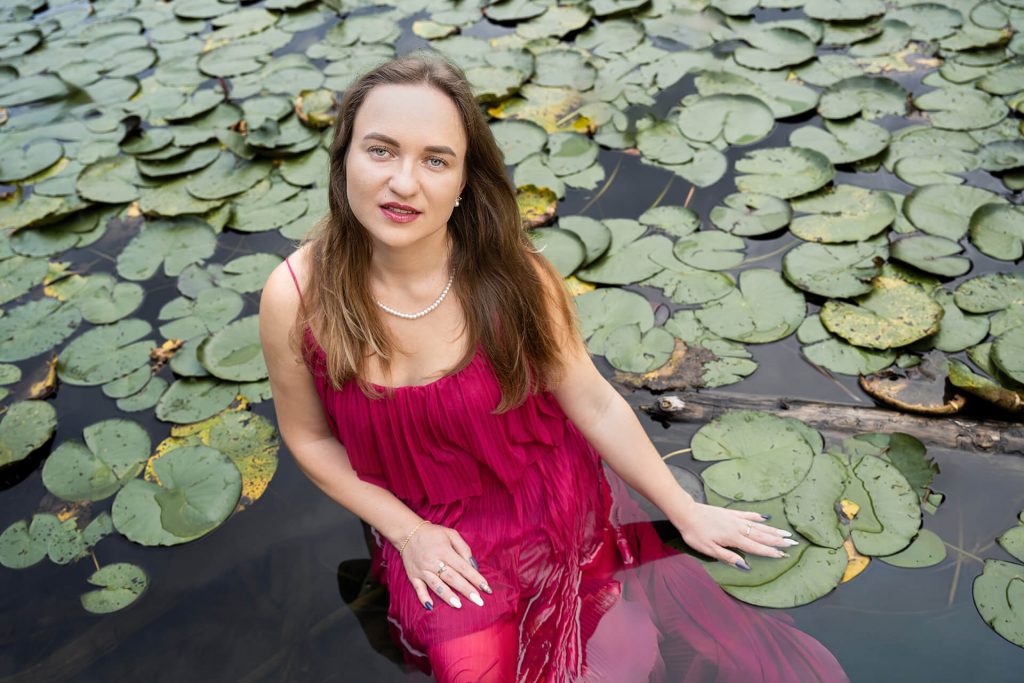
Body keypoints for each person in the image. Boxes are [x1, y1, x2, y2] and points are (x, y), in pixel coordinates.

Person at [258, 55, 848, 682]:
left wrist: (683, 509)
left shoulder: (515, 278)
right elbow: (310, 438)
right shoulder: (295, 296)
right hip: (436, 536)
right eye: (380, 151)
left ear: (464, 181)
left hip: (555, 500)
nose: (404, 183)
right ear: (344, 157)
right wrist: (407, 534)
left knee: (626, 661)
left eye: (436, 160)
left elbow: (591, 402)